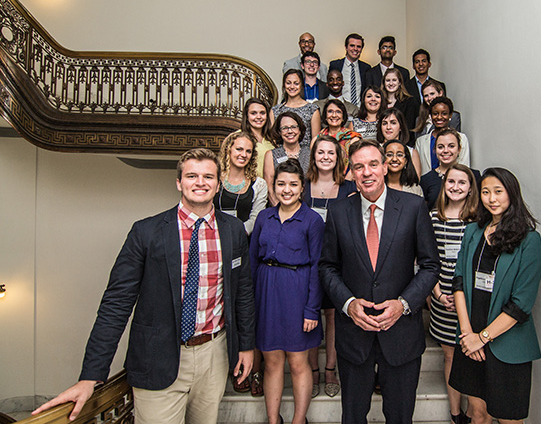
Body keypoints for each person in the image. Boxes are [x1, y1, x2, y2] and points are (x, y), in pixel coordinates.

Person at [33, 148, 255, 423]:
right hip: (157, 357)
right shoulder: (146, 232)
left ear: (218, 184)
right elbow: (116, 305)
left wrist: (246, 346)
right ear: (179, 182)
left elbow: (243, 293)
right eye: (192, 176)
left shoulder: (233, 230)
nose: (200, 182)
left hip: (215, 354)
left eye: (208, 176)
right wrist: (91, 375)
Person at [319, 139, 441, 424]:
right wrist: (348, 304)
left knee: (399, 417)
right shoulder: (338, 213)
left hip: (401, 335)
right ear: (350, 172)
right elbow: (327, 267)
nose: (367, 172)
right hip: (354, 337)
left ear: (386, 167)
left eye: (373, 164)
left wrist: (403, 304)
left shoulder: (413, 207)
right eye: (359, 166)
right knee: (352, 416)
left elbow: (430, 266)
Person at [449, 168, 541, 424]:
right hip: (471, 340)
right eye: (486, 192)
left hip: (506, 344)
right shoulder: (473, 232)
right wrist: (468, 334)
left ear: (512, 194)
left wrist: (483, 338)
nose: (491, 199)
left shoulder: (529, 240)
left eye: (498, 192)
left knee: (508, 418)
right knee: (477, 413)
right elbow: (457, 282)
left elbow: (521, 305)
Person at [250, 159, 325, 424]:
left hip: (298, 291)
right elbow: (251, 261)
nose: (286, 189)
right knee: (271, 362)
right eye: (281, 183)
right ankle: (273, 420)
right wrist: (250, 305)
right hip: (266, 290)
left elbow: (318, 266)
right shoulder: (263, 217)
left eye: (293, 184)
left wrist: (311, 309)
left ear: (302, 188)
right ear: (274, 186)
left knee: (297, 362)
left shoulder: (313, 220)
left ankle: (298, 420)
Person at [303, 135, 357, 398]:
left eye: (331, 153)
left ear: (339, 158)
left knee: (334, 317)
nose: (325, 157)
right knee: (310, 315)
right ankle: (312, 370)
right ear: (313, 156)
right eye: (320, 152)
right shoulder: (301, 186)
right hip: (306, 261)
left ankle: (330, 370)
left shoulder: (348, 188)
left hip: (338, 262)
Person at [427, 164, 479, 424]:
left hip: (471, 301)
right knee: (450, 355)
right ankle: (455, 413)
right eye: (451, 182)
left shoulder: (479, 220)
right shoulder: (433, 217)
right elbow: (427, 261)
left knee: (469, 354)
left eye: (462, 182)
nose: (456, 187)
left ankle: (473, 412)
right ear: (443, 185)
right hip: (442, 299)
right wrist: (437, 295)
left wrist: (467, 299)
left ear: (471, 188)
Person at [216, 132, 268, 237]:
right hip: (214, 237)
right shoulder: (214, 179)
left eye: (248, 151)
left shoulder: (259, 184)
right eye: (239, 149)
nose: (244, 155)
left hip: (243, 240)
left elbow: (255, 218)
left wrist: (236, 233)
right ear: (228, 150)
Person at [420, 128, 481, 211]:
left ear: (459, 149)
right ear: (435, 150)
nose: (445, 150)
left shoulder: (473, 175)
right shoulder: (426, 180)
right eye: (440, 147)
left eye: (451, 146)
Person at [415, 96, 470, 174]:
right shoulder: (420, 141)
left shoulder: (462, 138)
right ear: (430, 116)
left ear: (450, 115)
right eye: (435, 114)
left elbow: (464, 166)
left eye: (444, 113)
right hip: (428, 184)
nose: (439, 117)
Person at [264, 112, 310, 205]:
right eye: (285, 128)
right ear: (279, 132)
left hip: (306, 207)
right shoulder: (271, 155)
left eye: (294, 127)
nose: (290, 131)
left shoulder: (310, 153)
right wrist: (281, 210)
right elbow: (269, 186)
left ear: (300, 130)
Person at [272, 69, 321, 147]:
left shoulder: (312, 109)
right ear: (284, 85)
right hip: (281, 156)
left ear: (301, 85)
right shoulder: (275, 110)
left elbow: (315, 140)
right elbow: (273, 139)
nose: (292, 86)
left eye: (296, 83)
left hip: (305, 156)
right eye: (288, 83)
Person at [314, 99, 361, 174]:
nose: (334, 115)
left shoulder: (353, 139)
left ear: (343, 117)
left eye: (338, 112)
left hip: (346, 181)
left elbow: (358, 165)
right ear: (325, 116)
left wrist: (346, 182)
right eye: (330, 111)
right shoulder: (317, 139)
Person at [329, 33, 371, 106]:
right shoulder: (335, 65)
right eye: (352, 45)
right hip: (339, 108)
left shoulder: (366, 68)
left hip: (359, 110)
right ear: (346, 47)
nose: (355, 49)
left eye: (358, 47)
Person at [377, 108, 422, 174]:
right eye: (384, 123)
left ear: (400, 127)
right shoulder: (375, 150)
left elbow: (415, 181)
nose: (388, 127)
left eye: (393, 123)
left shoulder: (411, 152)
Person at [240, 97, 276, 179]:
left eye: (262, 113)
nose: (259, 117)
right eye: (253, 113)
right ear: (247, 115)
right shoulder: (237, 137)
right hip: (247, 186)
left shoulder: (272, 139)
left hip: (269, 186)